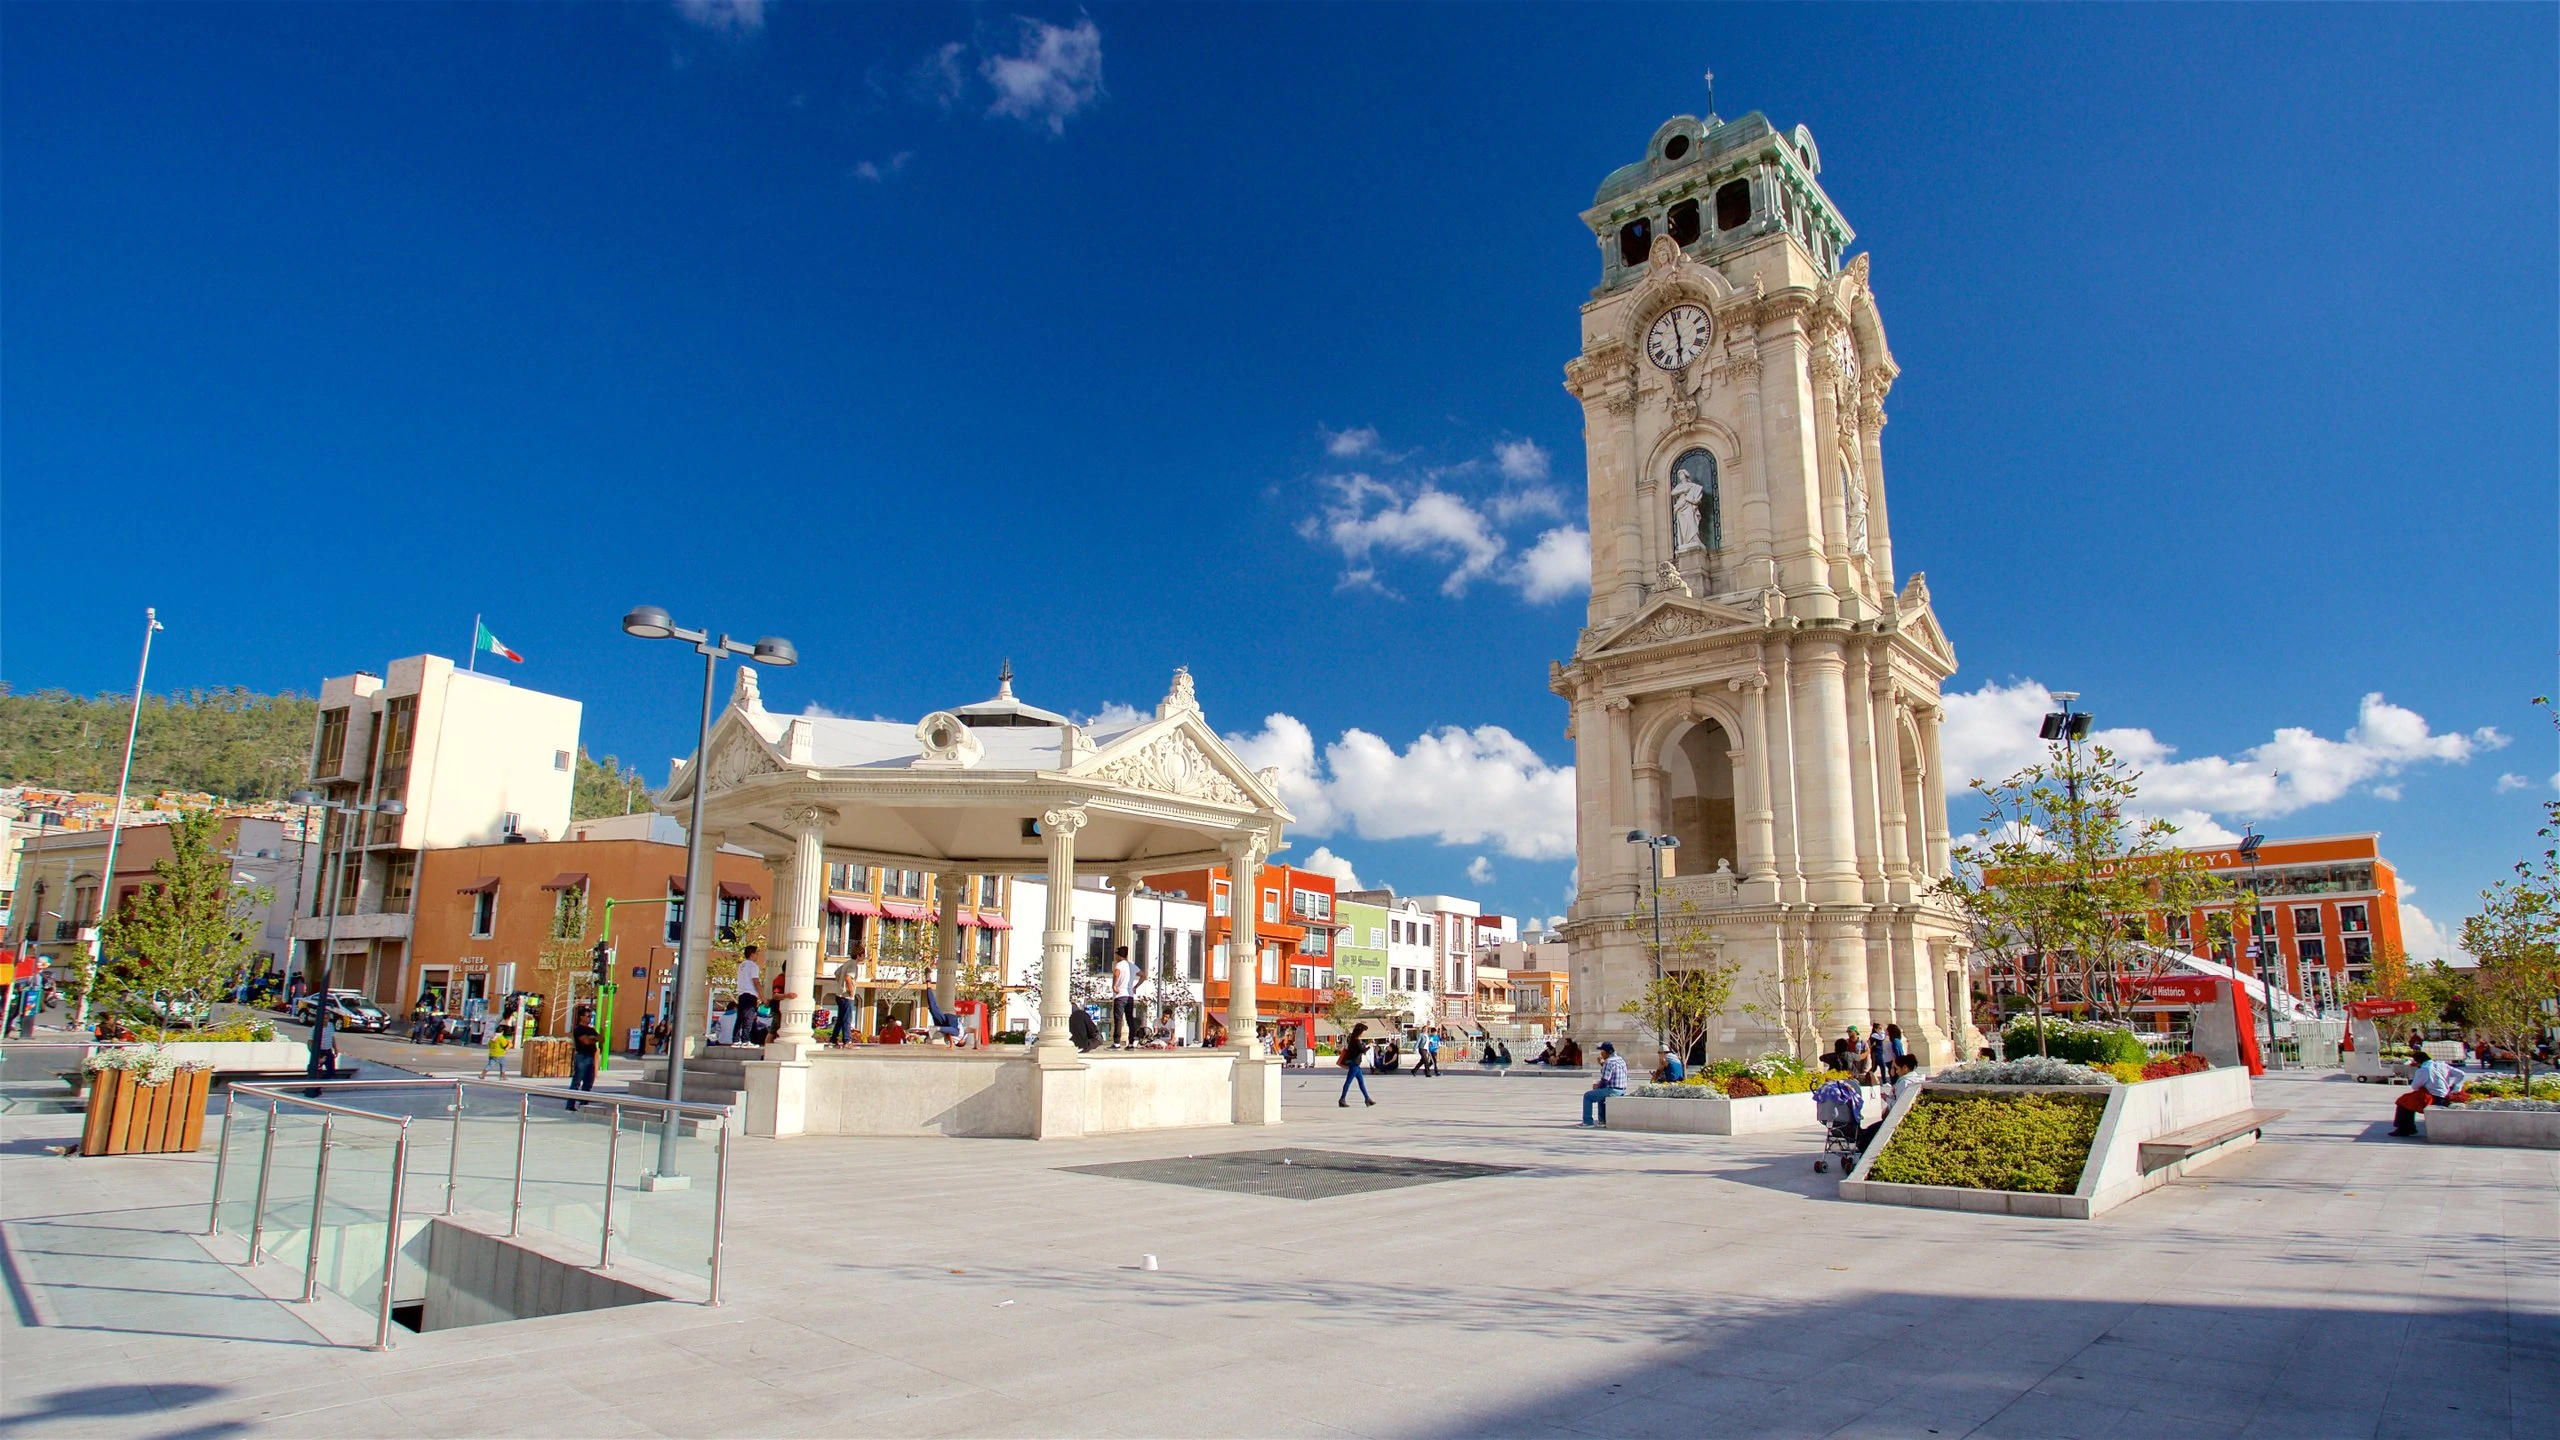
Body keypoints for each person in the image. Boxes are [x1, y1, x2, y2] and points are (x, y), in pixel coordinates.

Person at [2393, 1046, 2467, 1136]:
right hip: (2445, 1094)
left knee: (2403, 1101)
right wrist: (2456, 1088)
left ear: (2418, 1062)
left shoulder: (2423, 1070)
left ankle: (2405, 1128)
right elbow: (2461, 1074)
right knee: (2408, 1100)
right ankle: (2407, 1128)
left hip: (2434, 1097)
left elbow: (2415, 1086)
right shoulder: (2442, 1065)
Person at [1857, 1057, 1923, 1152]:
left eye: (1896, 1068)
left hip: (1897, 1119)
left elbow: (1900, 1104)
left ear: (1905, 1068)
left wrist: (1887, 1099)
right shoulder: (1913, 1079)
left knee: (1871, 1131)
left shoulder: (1905, 1082)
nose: (1894, 1071)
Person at [1581, 1041, 1629, 1126]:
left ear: (1605, 1052)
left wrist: (1597, 1086)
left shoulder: (1609, 1061)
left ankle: (1587, 1122)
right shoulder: (1620, 1059)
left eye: (1602, 1051)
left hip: (1613, 1090)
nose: (1601, 1054)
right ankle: (1602, 1121)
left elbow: (1605, 1080)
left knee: (1588, 1096)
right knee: (1601, 1094)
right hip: (1622, 1089)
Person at [567, 1005, 600, 1111]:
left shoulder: (591, 1029)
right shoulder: (579, 1029)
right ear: (581, 1017)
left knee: (588, 1082)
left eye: (591, 1016)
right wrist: (592, 1039)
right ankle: (570, 1105)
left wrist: (592, 1038)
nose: (590, 1018)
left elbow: (601, 1038)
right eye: (588, 1016)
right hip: (582, 1057)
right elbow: (585, 1041)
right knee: (577, 1081)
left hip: (591, 1057)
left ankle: (584, 1104)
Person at [1338, 1022, 1376, 1107]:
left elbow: (1360, 1049)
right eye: (1363, 1031)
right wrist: (1369, 1045)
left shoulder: (1353, 1040)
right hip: (1354, 1064)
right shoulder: (1356, 1041)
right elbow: (1362, 1050)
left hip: (1356, 1064)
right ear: (1360, 1032)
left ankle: (1367, 1099)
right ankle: (1342, 1099)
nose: (1363, 1033)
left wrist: (1366, 1046)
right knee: (1348, 1082)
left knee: (1361, 1082)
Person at [831, 944, 862, 1046]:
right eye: (863, 954)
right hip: (846, 996)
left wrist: (840, 985)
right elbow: (848, 977)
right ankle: (847, 1040)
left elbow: (837, 973)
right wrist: (850, 990)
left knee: (840, 1018)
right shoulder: (853, 964)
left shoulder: (847, 963)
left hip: (839, 995)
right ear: (858, 955)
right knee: (847, 1019)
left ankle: (833, 1039)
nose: (864, 957)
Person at [306, 1004, 339, 1080]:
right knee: (314, 1070)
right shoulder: (316, 1028)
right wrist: (315, 1054)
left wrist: (335, 1048)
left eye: (326, 1018)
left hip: (328, 1051)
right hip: (319, 1051)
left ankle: (319, 1085)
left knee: (331, 1072)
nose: (325, 1020)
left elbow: (332, 1037)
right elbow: (310, 1041)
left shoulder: (331, 1026)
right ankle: (313, 1088)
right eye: (323, 1018)